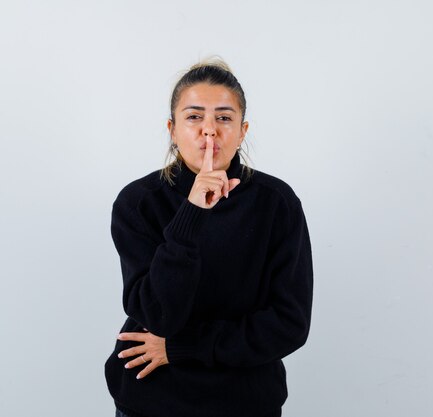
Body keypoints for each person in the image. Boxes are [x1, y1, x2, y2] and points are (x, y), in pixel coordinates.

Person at [103, 57, 314, 417]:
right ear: (172, 128)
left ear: (243, 130)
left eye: (224, 118)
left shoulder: (276, 203)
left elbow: (289, 324)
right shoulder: (138, 203)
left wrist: (181, 348)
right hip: (152, 399)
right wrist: (192, 211)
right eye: (194, 116)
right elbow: (158, 315)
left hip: (244, 402)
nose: (210, 130)